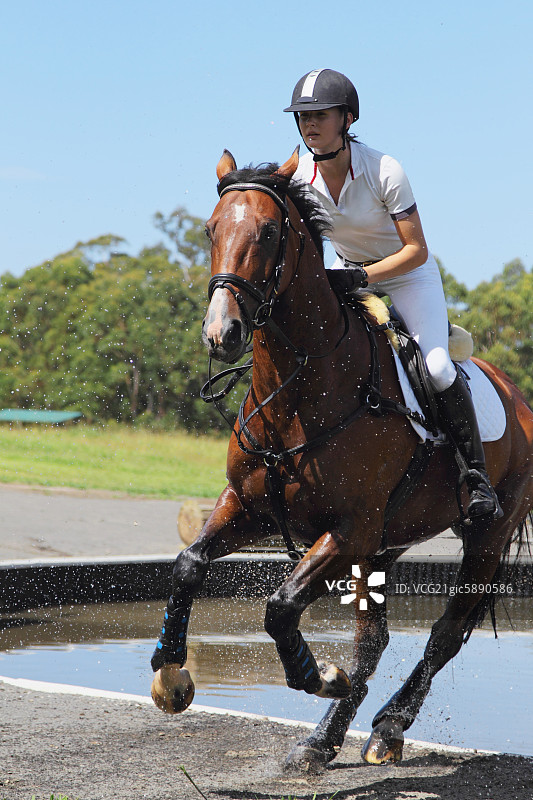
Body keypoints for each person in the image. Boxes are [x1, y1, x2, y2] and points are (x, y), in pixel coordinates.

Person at [283, 68, 502, 520]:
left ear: (346, 118)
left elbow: (417, 250)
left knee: (438, 368)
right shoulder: (298, 175)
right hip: (345, 274)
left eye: (320, 114)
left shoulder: (385, 170)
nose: (309, 124)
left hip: (407, 276)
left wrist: (361, 277)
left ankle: (475, 477)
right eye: (302, 116)